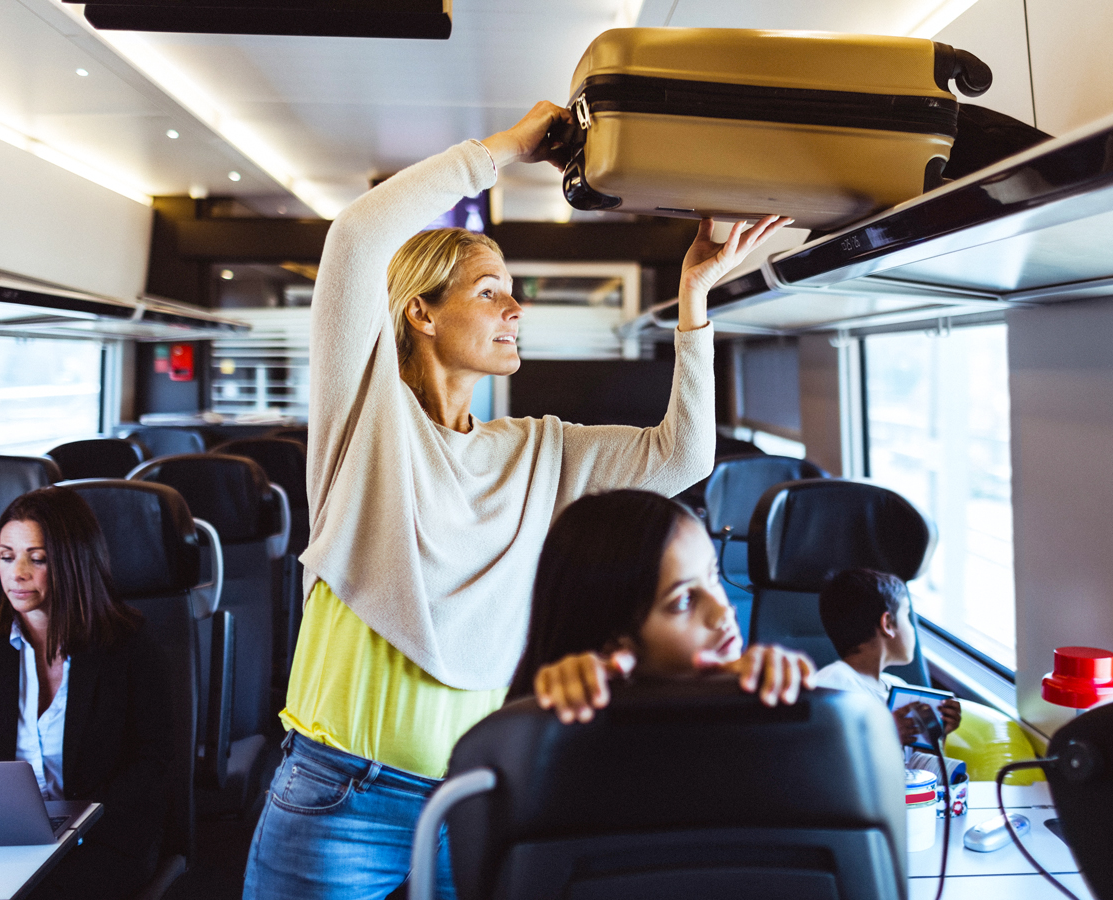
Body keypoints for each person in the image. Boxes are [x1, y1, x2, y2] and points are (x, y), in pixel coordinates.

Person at [242, 99, 792, 900]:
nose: (516, 308)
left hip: (480, 789)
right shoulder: (367, 424)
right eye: (491, 290)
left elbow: (683, 455)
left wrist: (695, 295)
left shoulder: (540, 451)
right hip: (340, 798)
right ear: (420, 312)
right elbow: (356, 238)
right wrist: (504, 149)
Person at [0, 486, 172, 900]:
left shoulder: (129, 647)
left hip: (103, 840)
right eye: (6, 556)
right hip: (9, 839)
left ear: (73, 562)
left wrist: (75, 833)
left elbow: (151, 767)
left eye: (36, 558)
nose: (17, 572)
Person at [508, 489, 814, 719]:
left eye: (713, 576)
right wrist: (548, 708)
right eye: (683, 601)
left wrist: (782, 700)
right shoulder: (550, 741)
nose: (723, 611)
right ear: (614, 646)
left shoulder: (752, 707)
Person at [812, 568, 963, 779]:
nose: (912, 629)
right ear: (888, 624)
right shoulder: (831, 687)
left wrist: (935, 733)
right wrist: (888, 735)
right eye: (907, 616)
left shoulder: (896, 686)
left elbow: (910, 764)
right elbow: (823, 764)